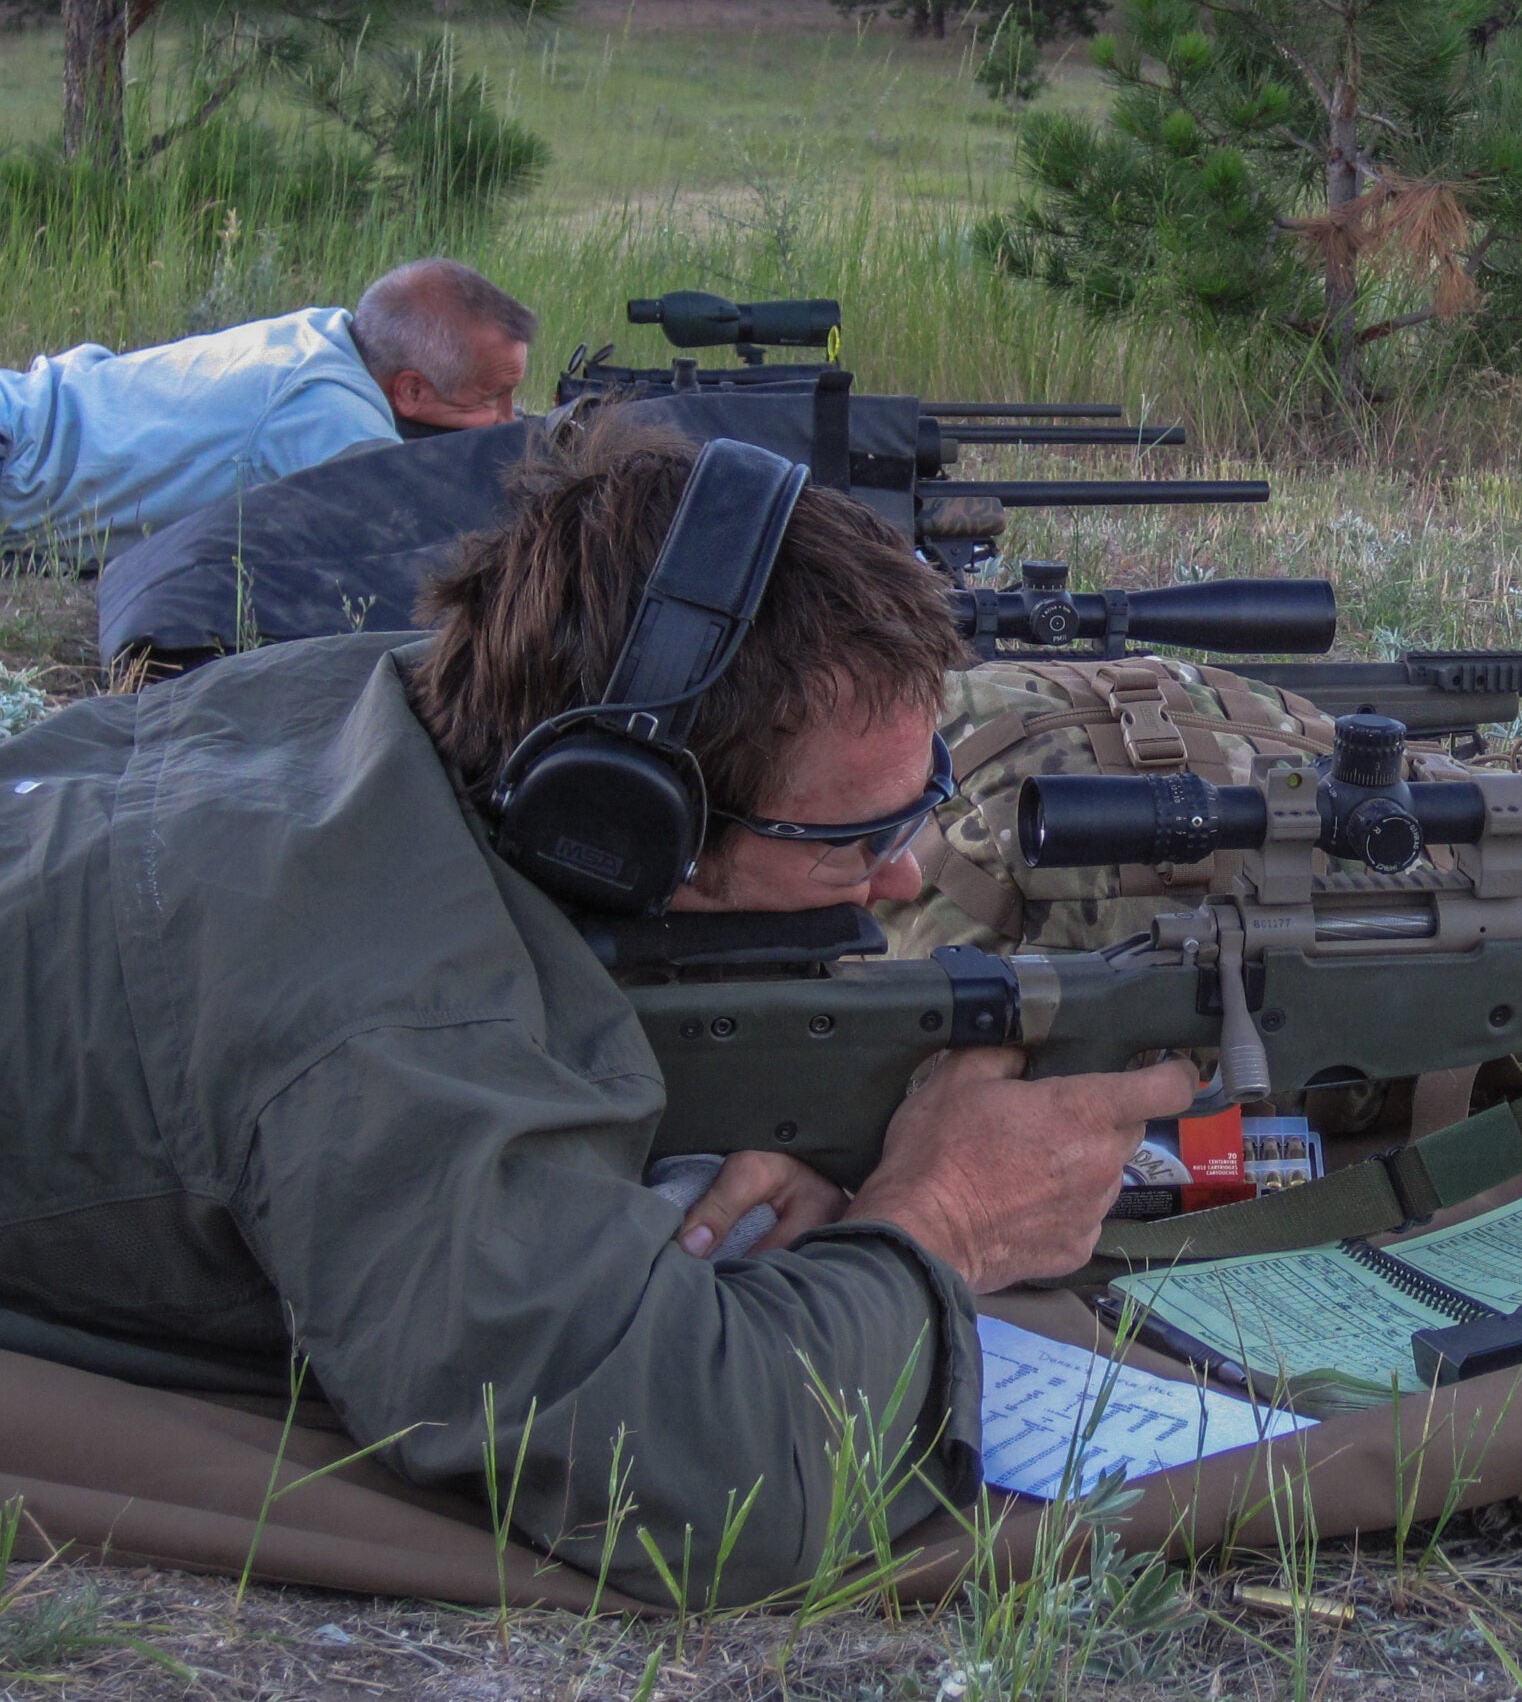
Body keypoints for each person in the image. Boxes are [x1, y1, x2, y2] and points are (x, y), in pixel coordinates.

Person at [0, 416, 1193, 1601]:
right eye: (851, 837)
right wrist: (947, 1218)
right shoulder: (394, 1029)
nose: (903, 875)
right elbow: (706, 1490)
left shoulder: (346, 707)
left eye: (920, 798)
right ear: (619, 826)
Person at [0, 257, 534, 555]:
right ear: (411, 390)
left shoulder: (322, 334)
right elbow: (433, 542)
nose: (507, 418)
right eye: (491, 399)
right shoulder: (327, 415)